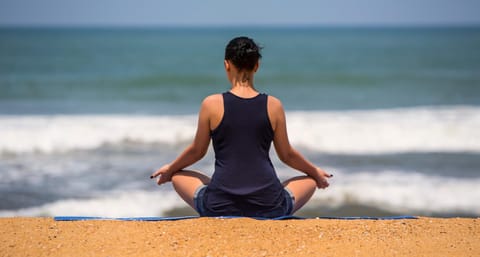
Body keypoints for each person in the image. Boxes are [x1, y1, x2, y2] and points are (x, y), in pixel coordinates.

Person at [150, 36, 332, 218]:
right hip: (269, 207)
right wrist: (315, 172)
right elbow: (287, 155)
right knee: (309, 180)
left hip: (219, 207)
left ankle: (222, 190)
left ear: (226, 65)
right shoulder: (273, 105)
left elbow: (197, 151)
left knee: (178, 176)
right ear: (256, 66)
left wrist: (170, 168)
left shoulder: (211, 104)